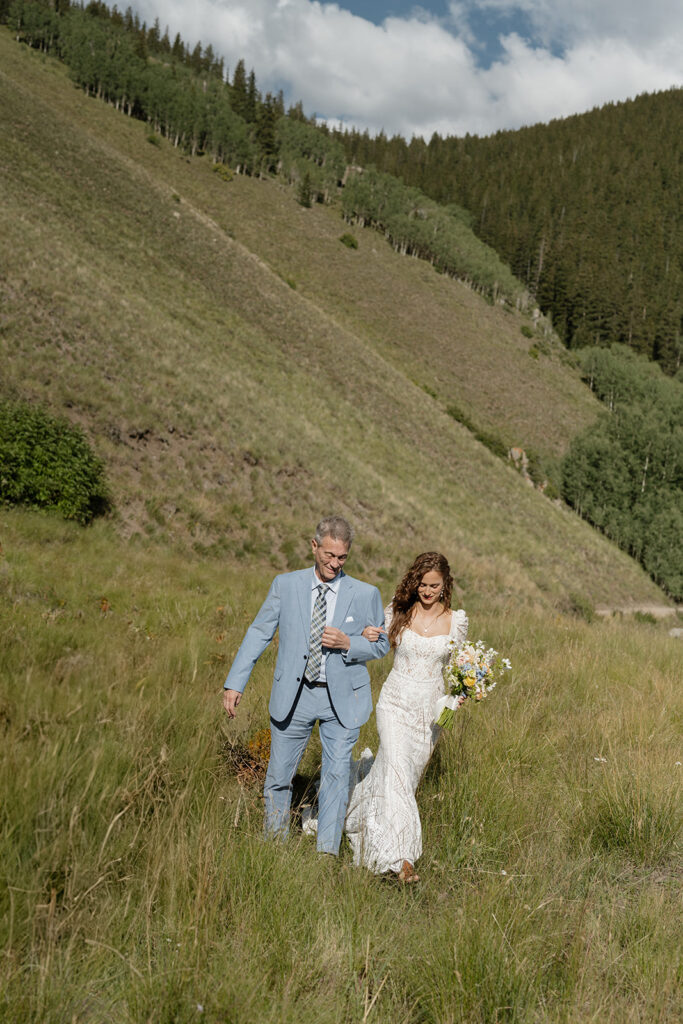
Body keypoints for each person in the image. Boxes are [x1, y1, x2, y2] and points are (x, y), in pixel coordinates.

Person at [223, 515, 390, 856]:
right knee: (279, 776)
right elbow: (258, 632)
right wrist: (235, 682)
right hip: (293, 697)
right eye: (328, 554)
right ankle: (274, 848)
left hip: (341, 701)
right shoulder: (285, 585)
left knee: (335, 777)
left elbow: (381, 644)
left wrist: (348, 643)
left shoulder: (365, 594)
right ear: (314, 546)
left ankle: (326, 853)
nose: (334, 563)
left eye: (342, 557)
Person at [344, 551, 468, 882]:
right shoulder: (398, 611)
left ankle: (358, 813)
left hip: (430, 715)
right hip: (395, 704)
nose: (427, 591)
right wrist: (360, 639)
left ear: (445, 585)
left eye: (434, 586)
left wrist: (463, 695)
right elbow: (375, 643)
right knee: (397, 772)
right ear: (415, 582)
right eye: (423, 585)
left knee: (402, 782)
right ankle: (402, 859)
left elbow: (458, 672)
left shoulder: (456, 621)